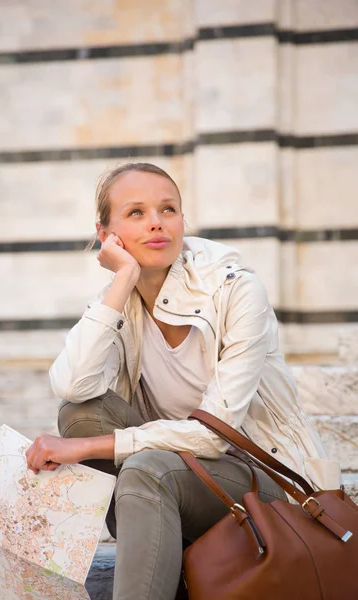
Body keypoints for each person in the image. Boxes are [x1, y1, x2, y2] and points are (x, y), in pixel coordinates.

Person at [26, 162, 341, 600]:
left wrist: (88, 448)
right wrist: (122, 279)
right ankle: (165, 560)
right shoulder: (122, 299)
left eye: (168, 209)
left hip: (270, 485)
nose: (156, 222)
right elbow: (72, 386)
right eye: (135, 212)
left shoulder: (236, 290)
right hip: (180, 472)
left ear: (182, 220)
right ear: (107, 234)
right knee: (82, 415)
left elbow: (214, 435)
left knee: (145, 469)